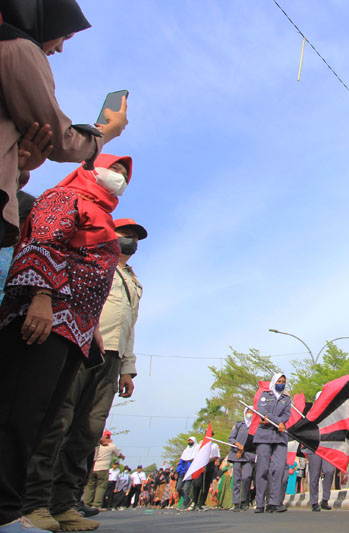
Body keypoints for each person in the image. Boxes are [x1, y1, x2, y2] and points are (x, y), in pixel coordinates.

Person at [0, 153, 131, 532]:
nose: (119, 177)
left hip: (74, 329)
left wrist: (88, 327)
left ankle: (13, 509)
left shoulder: (101, 212)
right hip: (45, 317)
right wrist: (41, 295)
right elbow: (42, 242)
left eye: (125, 174)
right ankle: (8, 510)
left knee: (40, 421)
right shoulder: (66, 197)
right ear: (90, 168)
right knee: (18, 416)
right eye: (114, 168)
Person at [0, 0, 128, 248]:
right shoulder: (19, 49)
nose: (59, 49)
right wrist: (106, 133)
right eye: (64, 36)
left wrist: (21, 166)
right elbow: (60, 140)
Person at [252, 373, 291, 513]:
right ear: (274, 381)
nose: (281, 383)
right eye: (279, 381)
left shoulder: (286, 398)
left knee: (279, 468)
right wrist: (277, 421)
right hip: (264, 435)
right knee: (263, 469)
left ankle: (274, 502)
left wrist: (280, 422)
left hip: (280, 436)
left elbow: (287, 414)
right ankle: (260, 502)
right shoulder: (265, 395)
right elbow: (263, 412)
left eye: (283, 382)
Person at [82, 432, 124, 513]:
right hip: (103, 468)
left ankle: (86, 504)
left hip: (93, 467)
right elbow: (118, 455)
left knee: (90, 486)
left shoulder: (96, 445)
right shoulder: (112, 446)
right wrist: (122, 457)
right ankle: (96, 505)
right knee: (100, 487)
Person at [227, 412, 256, 511]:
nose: (250, 413)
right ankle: (235, 502)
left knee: (247, 477)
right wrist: (238, 445)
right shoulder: (239, 425)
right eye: (248, 411)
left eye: (252, 412)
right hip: (237, 455)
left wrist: (244, 449)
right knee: (236, 478)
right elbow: (231, 438)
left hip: (249, 455)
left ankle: (244, 500)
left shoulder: (256, 426)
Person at [176, 437, 197, 509]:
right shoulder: (186, 450)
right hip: (182, 472)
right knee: (178, 488)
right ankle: (187, 499)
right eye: (189, 440)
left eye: (191, 440)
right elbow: (181, 462)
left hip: (189, 473)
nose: (190, 441)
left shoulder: (196, 449)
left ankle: (184, 505)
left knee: (186, 489)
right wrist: (177, 471)